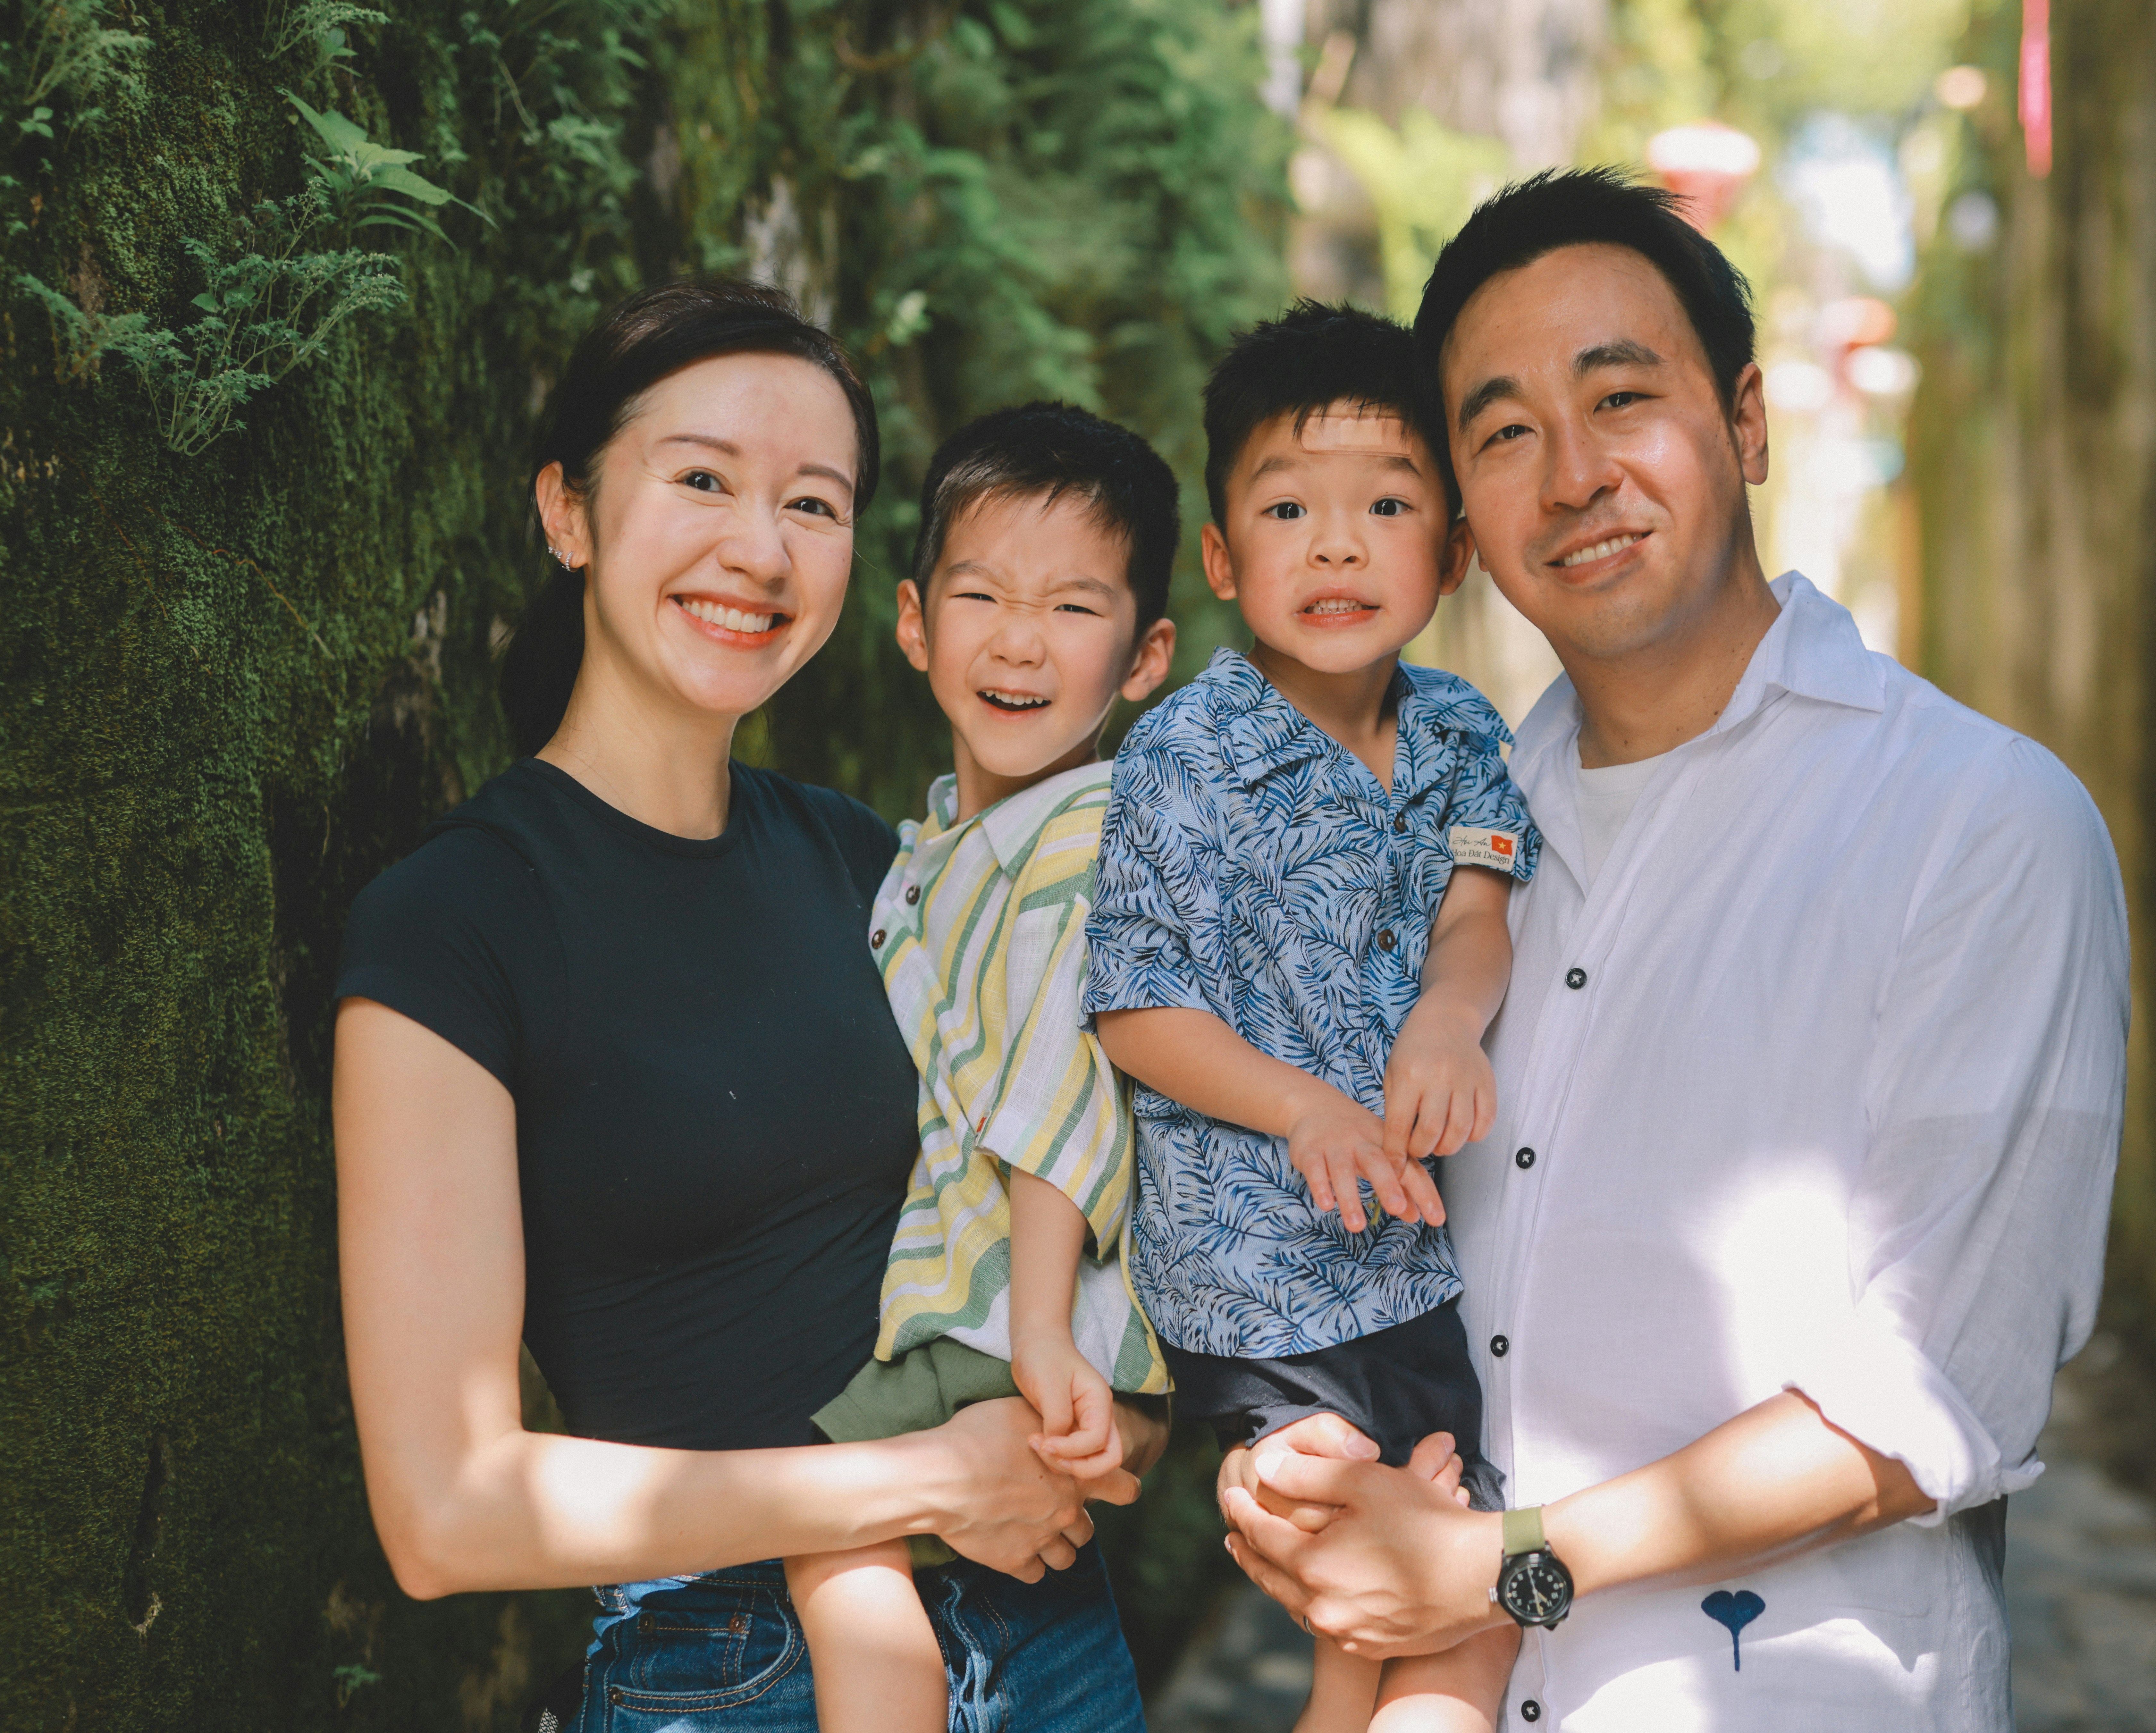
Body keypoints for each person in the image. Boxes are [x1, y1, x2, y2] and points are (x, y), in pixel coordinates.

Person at [1215, 172, 2130, 1731]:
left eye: (1622, 398)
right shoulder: (1444, 841)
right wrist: (1293, 1454)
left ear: (1747, 422)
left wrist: (1497, 1569)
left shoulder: (1977, 822)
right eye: (1506, 432)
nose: (1575, 476)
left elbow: (1934, 1394)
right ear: (1460, 514)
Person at [331, 278, 1161, 1733]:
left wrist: (1114, 1420)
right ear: (569, 511)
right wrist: (921, 1479)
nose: (760, 550)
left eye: (814, 504)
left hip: (1048, 1627)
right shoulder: (452, 924)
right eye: (703, 479)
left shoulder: (873, 864)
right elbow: (444, 1511)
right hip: (733, 1672)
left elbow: (1063, 1139)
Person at [1085, 303, 1540, 1733]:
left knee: (1431, 1533)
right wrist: (1306, 1107)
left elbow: (1480, 910)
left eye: (1386, 507)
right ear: (1224, 560)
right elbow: (1137, 1005)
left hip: (1414, 1256)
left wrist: (1448, 1022)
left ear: (1452, 554)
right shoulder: (1183, 754)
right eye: (1289, 509)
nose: (1337, 547)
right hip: (1256, 1263)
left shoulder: (1464, 731)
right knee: (1350, 1510)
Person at [783, 402, 1182, 1733]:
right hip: (1012, 1312)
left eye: (1073, 606)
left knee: (828, 1524)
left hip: (1013, 1314)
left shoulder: (1085, 838)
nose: (1019, 640)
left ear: (1146, 656)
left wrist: (1040, 1334)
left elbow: (1061, 1096)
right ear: (915, 623)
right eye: (982, 596)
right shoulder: (945, 845)